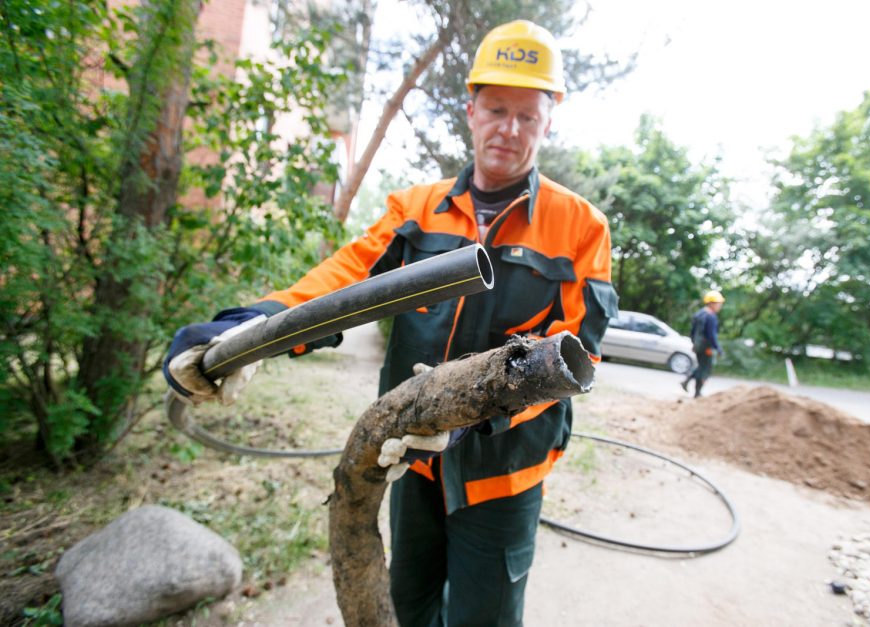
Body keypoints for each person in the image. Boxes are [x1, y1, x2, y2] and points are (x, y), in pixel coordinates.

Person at [163, 19, 617, 627]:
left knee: (486, 616)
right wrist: (252, 325)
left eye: (527, 116)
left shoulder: (580, 226)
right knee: (409, 602)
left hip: (503, 475)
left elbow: (573, 358)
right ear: (471, 110)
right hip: (410, 459)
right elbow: (346, 280)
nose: (510, 129)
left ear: (548, 122)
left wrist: (470, 424)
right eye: (497, 109)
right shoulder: (417, 209)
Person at [681, 290, 725, 398]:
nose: (720, 306)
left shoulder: (699, 314)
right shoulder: (711, 316)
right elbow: (712, 336)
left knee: (701, 367)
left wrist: (694, 344)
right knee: (705, 369)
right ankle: (697, 392)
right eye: (718, 303)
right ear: (711, 303)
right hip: (706, 347)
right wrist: (718, 348)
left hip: (698, 346)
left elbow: (692, 332)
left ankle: (687, 382)